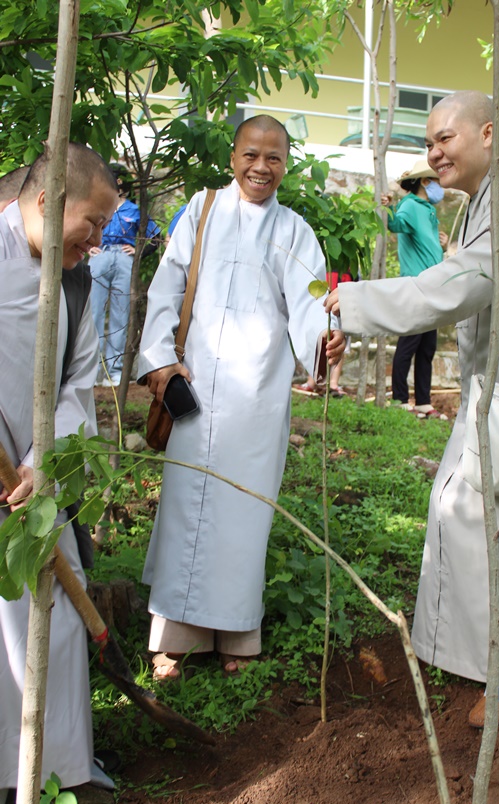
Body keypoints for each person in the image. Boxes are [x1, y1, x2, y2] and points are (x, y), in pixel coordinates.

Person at [326, 91, 499, 726]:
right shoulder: (477, 206)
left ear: (486, 133)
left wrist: (360, 302)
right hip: (496, 396)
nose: (433, 152)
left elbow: (466, 284)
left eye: (445, 138)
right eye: (427, 143)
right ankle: (493, 655)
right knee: (467, 514)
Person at [138, 115, 344, 680]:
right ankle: (175, 638)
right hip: (195, 387)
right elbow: (167, 286)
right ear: (233, 157)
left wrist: (323, 342)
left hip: (256, 395)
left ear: (286, 164)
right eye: (252, 154)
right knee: (185, 510)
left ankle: (238, 634)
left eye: (274, 157)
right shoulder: (201, 212)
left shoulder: (296, 231)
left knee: (244, 515)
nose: (262, 167)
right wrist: (158, 358)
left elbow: (308, 306)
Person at [0, 144, 119, 804]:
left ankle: (62, 779)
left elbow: (77, 386)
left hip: (36, 494)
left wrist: (44, 460)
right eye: (93, 223)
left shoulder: (76, 282)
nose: (99, 242)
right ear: (47, 202)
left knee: (57, 628)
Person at [383, 158, 448, 418]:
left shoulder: (428, 210)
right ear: (425, 181)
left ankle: (423, 401)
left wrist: (442, 246)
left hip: (432, 286)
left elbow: (428, 247)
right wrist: (388, 209)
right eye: (438, 182)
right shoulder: (410, 205)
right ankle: (399, 399)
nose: (441, 188)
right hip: (416, 284)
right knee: (409, 343)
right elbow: (395, 225)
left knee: (427, 346)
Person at [89, 164, 160, 386]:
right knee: (93, 313)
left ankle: (115, 371)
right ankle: (92, 371)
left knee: (121, 314)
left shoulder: (134, 211)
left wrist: (138, 251)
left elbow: (156, 238)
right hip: (100, 254)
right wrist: (87, 245)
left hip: (123, 258)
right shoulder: (99, 205)